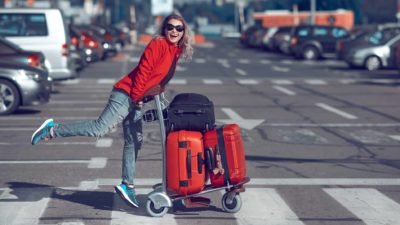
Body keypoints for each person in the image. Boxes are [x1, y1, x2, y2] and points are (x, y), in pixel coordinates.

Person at [30, 14, 193, 208]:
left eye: (178, 28)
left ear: (184, 32)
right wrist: (137, 97)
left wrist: (151, 96)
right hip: (126, 94)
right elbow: (143, 71)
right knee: (99, 128)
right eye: (170, 27)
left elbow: (159, 79)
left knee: (134, 142)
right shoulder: (158, 44)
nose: (174, 31)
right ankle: (52, 129)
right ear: (164, 29)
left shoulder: (175, 50)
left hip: (137, 97)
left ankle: (127, 185)